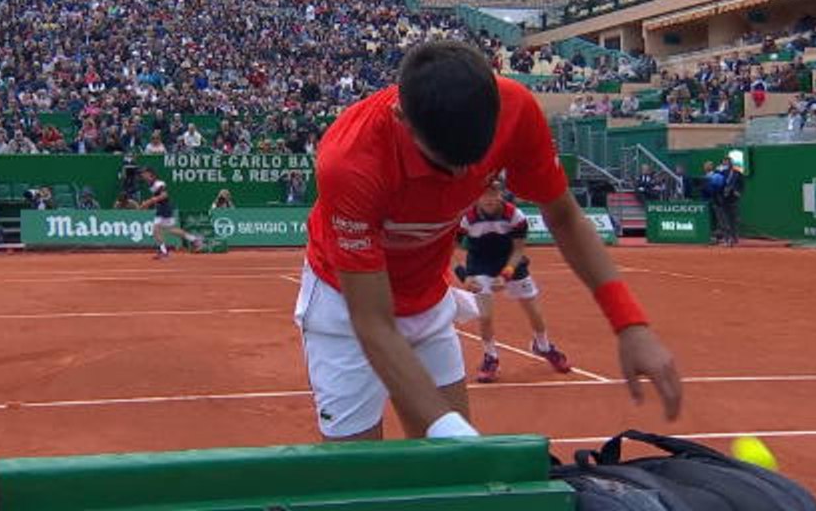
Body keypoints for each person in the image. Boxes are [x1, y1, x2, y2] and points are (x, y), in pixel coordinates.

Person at [297, 40, 680, 442]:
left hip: (427, 299)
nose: (463, 174)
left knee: (450, 481)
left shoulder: (516, 108)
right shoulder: (350, 161)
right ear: (401, 118)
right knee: (359, 479)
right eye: (444, 161)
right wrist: (458, 439)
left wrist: (629, 323)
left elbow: (563, 215)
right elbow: (372, 323)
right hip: (346, 306)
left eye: (475, 160)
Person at [455, 180, 571, 383]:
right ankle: (490, 357)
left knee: (534, 311)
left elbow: (518, 250)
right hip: (479, 264)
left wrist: (506, 274)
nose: (489, 199)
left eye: (493, 194)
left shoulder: (515, 216)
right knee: (485, 315)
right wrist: (464, 275)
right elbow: (448, 247)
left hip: (511, 262)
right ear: (477, 197)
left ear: (500, 194)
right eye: (484, 195)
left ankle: (543, 346)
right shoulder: (467, 218)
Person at [137, 167, 203, 259]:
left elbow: (164, 195)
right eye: (141, 173)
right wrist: (149, 203)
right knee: (167, 230)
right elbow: (158, 197)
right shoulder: (150, 184)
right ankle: (194, 240)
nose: (142, 175)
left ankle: (165, 252)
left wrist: (149, 202)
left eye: (144, 173)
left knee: (159, 230)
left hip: (165, 209)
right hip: (161, 208)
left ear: (150, 173)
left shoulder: (158, 183)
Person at [717, 158, 745, 247]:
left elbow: (742, 185)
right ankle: (727, 239)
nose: (725, 165)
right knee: (724, 220)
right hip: (723, 199)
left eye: (727, 163)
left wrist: (738, 192)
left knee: (733, 219)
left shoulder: (737, 173)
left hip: (733, 199)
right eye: (724, 163)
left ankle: (734, 238)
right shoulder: (720, 173)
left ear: (731, 164)